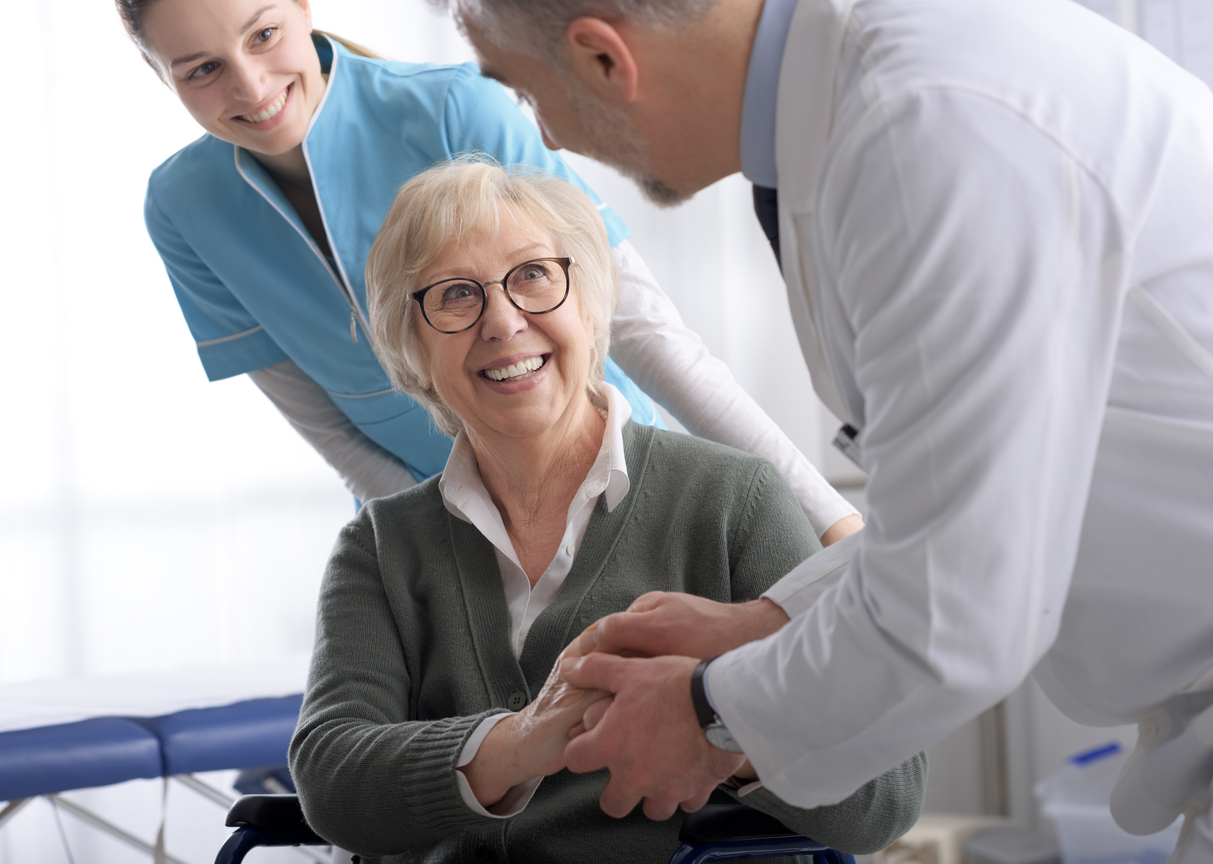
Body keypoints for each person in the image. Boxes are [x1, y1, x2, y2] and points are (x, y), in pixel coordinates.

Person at [443, 0, 1213, 855]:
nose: (547, 137)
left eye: (526, 94)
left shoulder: (923, 123)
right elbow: (982, 507)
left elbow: (952, 610)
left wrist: (706, 714)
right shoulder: (874, 100)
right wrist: (773, 618)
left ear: (601, 60)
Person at [286, 159, 926, 862]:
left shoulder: (731, 502)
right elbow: (331, 775)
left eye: (532, 276)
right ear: (411, 350)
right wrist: (524, 740)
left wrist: (718, 723)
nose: (502, 322)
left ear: (590, 309)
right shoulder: (380, 546)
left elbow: (885, 795)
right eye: (455, 295)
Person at [115, 0, 863, 547]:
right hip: (428, 521)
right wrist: (460, 551)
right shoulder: (181, 208)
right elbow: (326, 426)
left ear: (304, 11)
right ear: (159, 76)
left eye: (265, 34)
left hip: (622, 485)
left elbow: (642, 329)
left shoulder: (456, 108)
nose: (248, 87)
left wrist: (826, 516)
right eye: (201, 70)